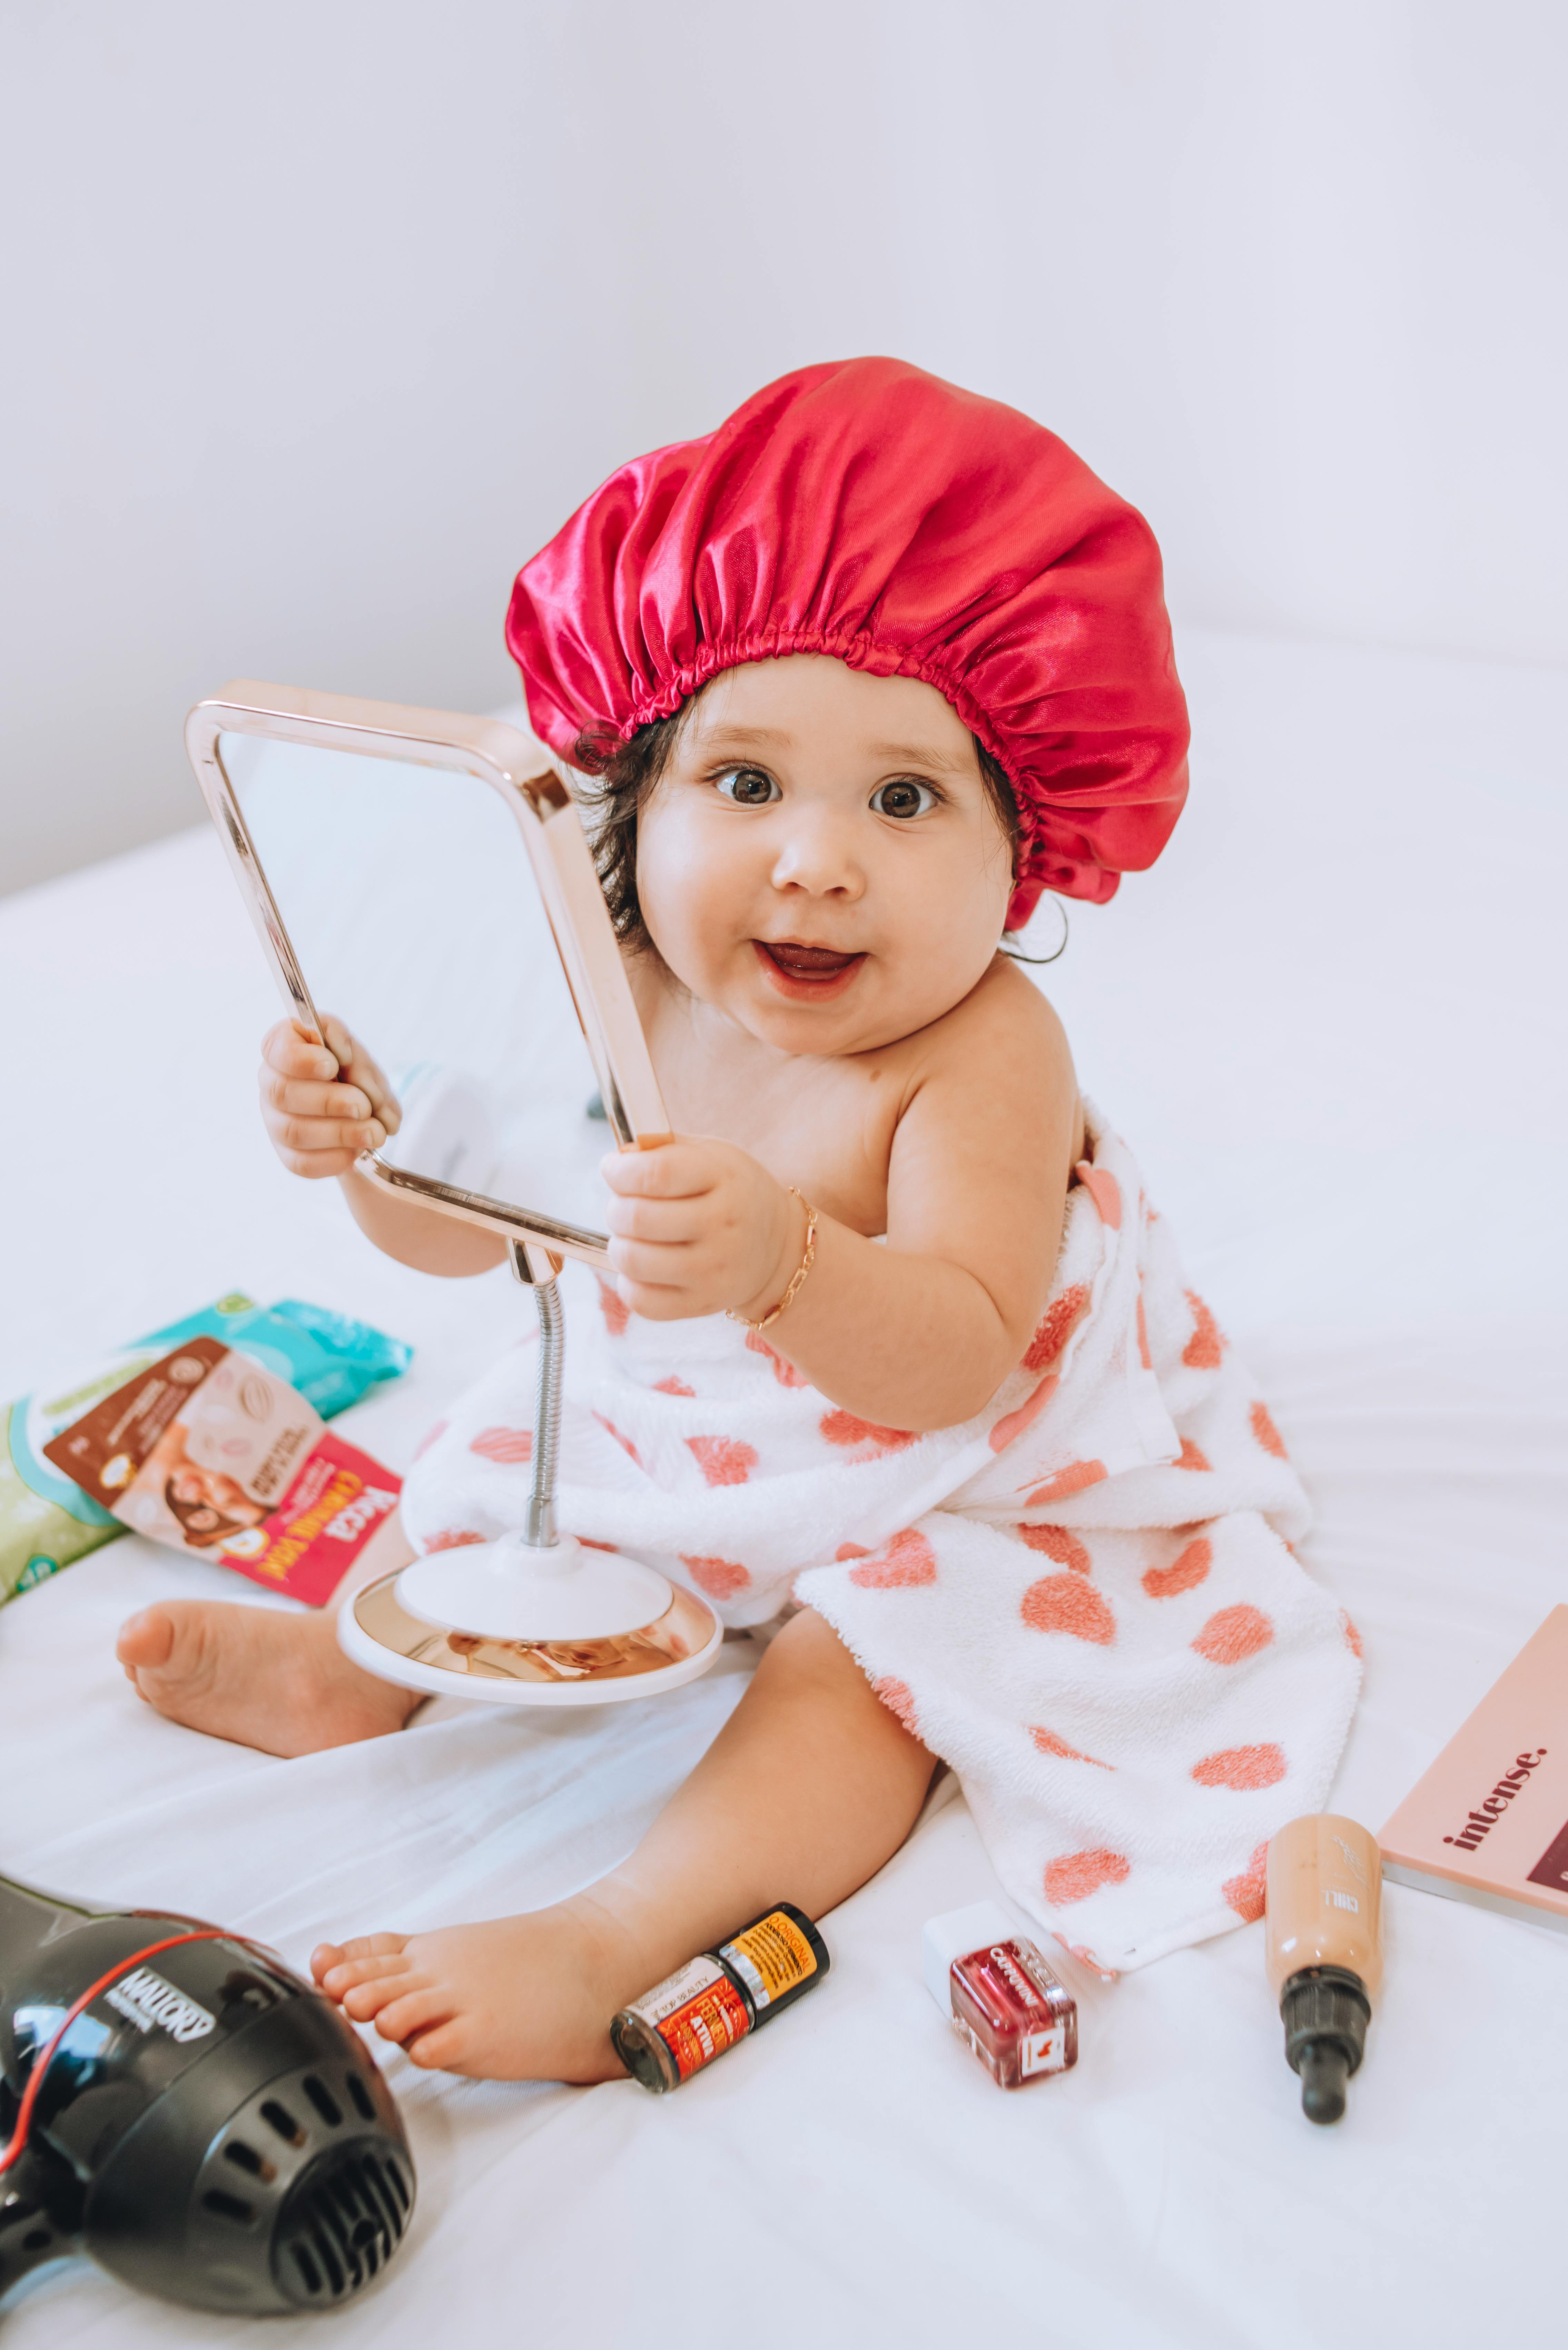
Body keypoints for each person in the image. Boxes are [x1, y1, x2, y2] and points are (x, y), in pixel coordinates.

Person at [117, 359, 1358, 2084]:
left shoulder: (984, 1051)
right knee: (504, 1439)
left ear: (1030, 842)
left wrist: (785, 1258)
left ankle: (620, 1928)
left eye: (905, 799)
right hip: (695, 1395)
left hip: (965, 1448)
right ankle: (358, 1667)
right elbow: (489, 1240)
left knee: (877, 1655)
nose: (815, 860)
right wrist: (364, 1155)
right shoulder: (623, 977)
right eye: (748, 783)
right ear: (633, 793)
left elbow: (956, 1358)